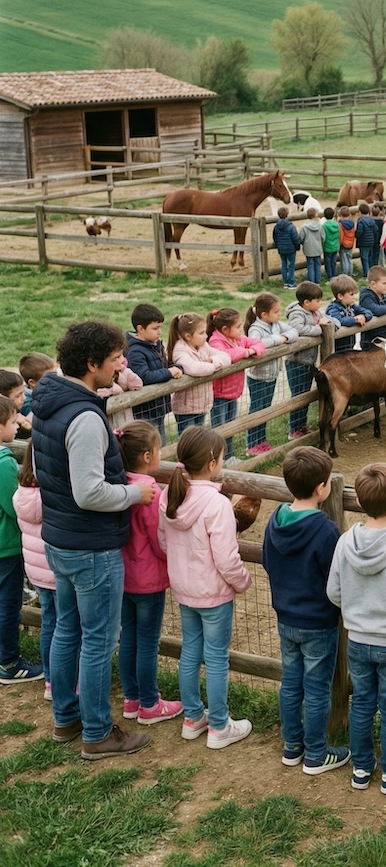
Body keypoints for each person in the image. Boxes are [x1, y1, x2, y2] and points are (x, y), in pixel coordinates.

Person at [31, 320, 153, 758]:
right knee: (99, 639)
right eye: (115, 359)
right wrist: (134, 494)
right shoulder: (84, 417)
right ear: (90, 364)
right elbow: (89, 492)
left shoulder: (48, 403)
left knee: (68, 628)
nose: (121, 365)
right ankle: (98, 732)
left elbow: (47, 471)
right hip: (91, 547)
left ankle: (66, 717)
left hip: (60, 539)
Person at [326, 462, 386, 795]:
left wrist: (354, 609)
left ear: (359, 501)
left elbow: (333, 592)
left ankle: (362, 768)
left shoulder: (344, 543)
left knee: (363, 702)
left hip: (357, 639)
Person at [158, 426, 253, 750]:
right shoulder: (217, 504)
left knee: (190, 651)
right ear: (212, 463)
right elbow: (226, 558)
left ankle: (193, 717)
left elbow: (163, 541)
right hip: (213, 594)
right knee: (215, 658)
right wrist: (242, 580)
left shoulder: (168, 496)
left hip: (184, 590)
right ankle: (219, 726)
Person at [262, 446, 351, 775]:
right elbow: (334, 576)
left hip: (286, 618)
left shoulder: (274, 521)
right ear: (322, 488)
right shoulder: (326, 531)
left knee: (291, 683)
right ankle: (316, 753)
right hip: (318, 623)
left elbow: (268, 562)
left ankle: (292, 745)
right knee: (316, 688)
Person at [117, 421, 183, 726]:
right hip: (149, 580)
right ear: (147, 456)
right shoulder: (150, 492)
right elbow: (158, 539)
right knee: (147, 642)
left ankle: (131, 698)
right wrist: (170, 557)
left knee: (128, 637)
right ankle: (149, 704)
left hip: (123, 575)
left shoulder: (118, 486)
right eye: (159, 449)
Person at [0, 395, 44, 686]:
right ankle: (8, 663)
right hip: (6, 547)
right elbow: (12, 505)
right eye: (12, 422)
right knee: (8, 603)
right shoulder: (4, 464)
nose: (17, 427)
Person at [13, 440, 54, 697]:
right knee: (67, 626)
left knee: (49, 621)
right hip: (55, 570)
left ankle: (50, 678)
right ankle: (65, 678)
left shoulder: (21, 493)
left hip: (36, 572)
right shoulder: (50, 497)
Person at [207, 307, 265, 465]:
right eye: (238, 326)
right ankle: (217, 458)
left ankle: (228, 456)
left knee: (230, 427)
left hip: (233, 392)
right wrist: (246, 352)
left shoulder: (238, 339)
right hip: (219, 394)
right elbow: (226, 355)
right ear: (225, 329)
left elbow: (259, 343)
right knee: (219, 429)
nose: (241, 329)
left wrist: (252, 350)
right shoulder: (215, 341)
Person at [245, 293, 299, 456]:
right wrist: (278, 340)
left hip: (272, 375)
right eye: (276, 312)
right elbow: (257, 343)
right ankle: (252, 444)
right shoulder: (256, 328)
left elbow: (294, 331)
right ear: (264, 314)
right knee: (257, 410)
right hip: (259, 377)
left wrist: (284, 337)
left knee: (265, 409)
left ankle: (261, 441)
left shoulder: (275, 324)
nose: (279, 314)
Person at [166, 312, 231, 436]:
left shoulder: (203, 346)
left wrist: (212, 361)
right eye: (201, 333)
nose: (206, 336)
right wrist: (213, 367)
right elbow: (193, 368)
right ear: (188, 336)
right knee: (189, 440)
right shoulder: (180, 351)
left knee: (198, 438)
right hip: (186, 408)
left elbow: (226, 356)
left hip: (201, 404)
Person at [126, 303, 183, 441]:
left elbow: (165, 364)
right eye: (155, 328)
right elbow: (145, 377)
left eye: (160, 327)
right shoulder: (135, 352)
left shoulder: (155, 345)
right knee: (153, 442)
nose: (159, 332)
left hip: (158, 406)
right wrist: (169, 373)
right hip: (145, 410)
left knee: (159, 440)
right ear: (140, 328)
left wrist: (178, 368)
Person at [285, 282, 333, 439]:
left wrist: (329, 324)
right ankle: (294, 429)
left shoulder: (315, 312)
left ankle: (302, 425)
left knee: (305, 395)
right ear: (306, 302)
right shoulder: (297, 314)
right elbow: (298, 329)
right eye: (317, 301)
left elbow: (328, 320)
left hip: (309, 362)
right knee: (298, 395)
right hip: (297, 362)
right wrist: (319, 329)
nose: (320, 304)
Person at [327, 274, 372, 353]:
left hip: (349, 346)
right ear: (340, 296)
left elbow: (368, 312)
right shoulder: (333, 308)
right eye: (351, 294)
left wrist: (364, 317)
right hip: (337, 349)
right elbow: (339, 321)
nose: (354, 297)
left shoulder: (352, 306)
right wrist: (355, 320)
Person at [359, 266, 386, 349]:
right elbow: (376, 310)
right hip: (371, 343)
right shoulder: (366, 297)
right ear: (373, 284)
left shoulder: (384, 294)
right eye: (384, 283)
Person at [17, 351, 55, 419]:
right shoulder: (26, 402)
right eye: (48, 377)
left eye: (54, 374)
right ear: (32, 383)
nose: (54, 378)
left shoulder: (49, 389)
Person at [273, 206, 301, 289]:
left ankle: (285, 282)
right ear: (287, 215)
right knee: (291, 265)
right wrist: (297, 246)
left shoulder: (276, 227)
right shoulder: (291, 226)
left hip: (281, 249)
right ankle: (291, 282)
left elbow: (274, 237)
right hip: (290, 249)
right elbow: (295, 238)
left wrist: (278, 245)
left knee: (284, 265)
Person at [299, 207, 325, 285]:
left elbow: (301, 238)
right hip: (317, 248)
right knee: (317, 265)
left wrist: (303, 243)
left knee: (310, 265)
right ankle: (318, 281)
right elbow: (323, 237)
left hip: (308, 248)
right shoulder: (319, 226)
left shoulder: (304, 226)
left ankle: (311, 282)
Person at [355, 202, 381, 277]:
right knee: (370, 258)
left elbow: (359, 233)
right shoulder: (372, 220)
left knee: (364, 259)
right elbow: (376, 230)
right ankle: (372, 273)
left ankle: (366, 275)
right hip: (371, 242)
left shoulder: (361, 221)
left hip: (363, 243)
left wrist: (356, 234)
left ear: (360, 212)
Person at [322, 207, 341, 282]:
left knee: (328, 263)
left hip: (327, 246)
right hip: (335, 246)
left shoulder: (324, 225)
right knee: (333, 262)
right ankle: (334, 275)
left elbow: (323, 237)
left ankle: (330, 277)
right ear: (333, 215)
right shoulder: (337, 224)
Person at [337, 205, 356, 277]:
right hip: (350, 243)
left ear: (341, 215)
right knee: (349, 259)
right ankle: (350, 273)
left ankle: (345, 274)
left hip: (344, 244)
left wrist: (340, 244)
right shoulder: (352, 223)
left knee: (344, 260)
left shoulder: (341, 224)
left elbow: (341, 235)